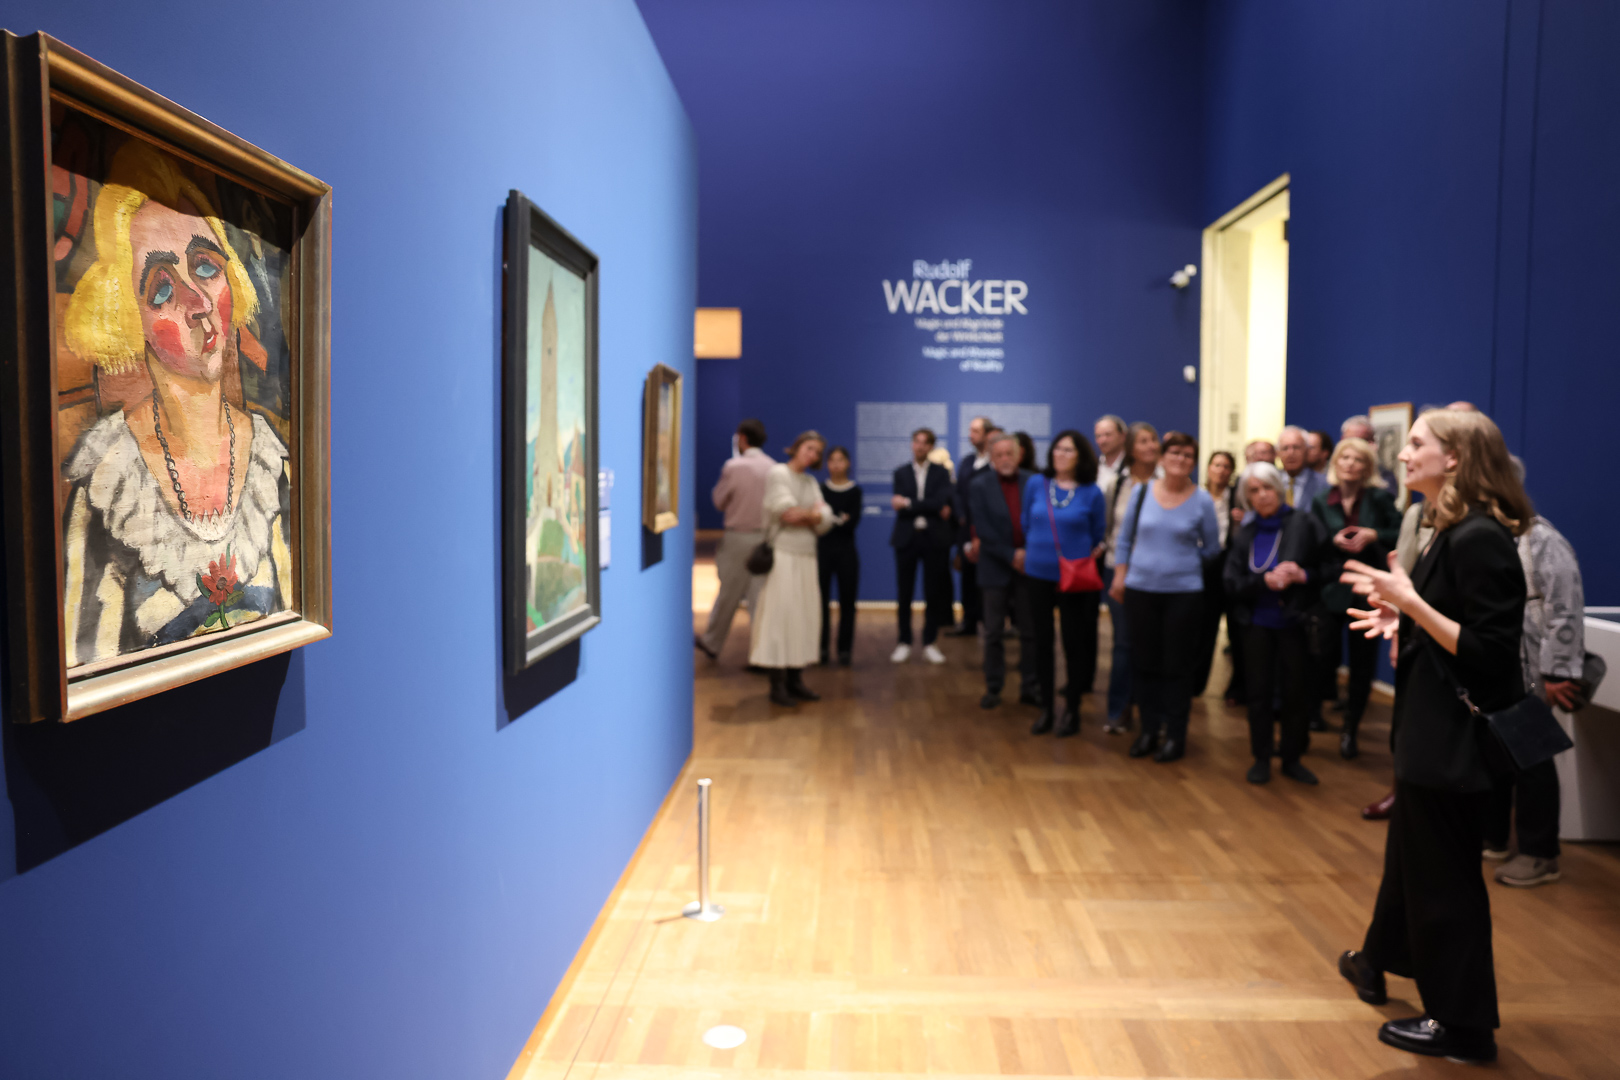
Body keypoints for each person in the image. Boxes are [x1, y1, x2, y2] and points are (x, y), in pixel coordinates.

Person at [1335, 408, 1532, 1064]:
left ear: (1454, 459)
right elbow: (1456, 627)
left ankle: (1464, 1027)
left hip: (1453, 745)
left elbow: (1492, 652)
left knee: (1446, 884)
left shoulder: (1478, 537)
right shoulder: (1452, 530)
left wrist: (1412, 604)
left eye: (1416, 443)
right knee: (1414, 865)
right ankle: (1377, 958)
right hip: (1431, 737)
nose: (1402, 452)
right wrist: (1406, 621)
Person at [61, 140, 293, 663]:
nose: (197, 303)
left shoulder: (272, 463)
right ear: (129, 318)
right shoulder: (109, 483)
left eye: (206, 268)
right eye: (162, 289)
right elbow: (86, 665)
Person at [1483, 504, 1586, 887]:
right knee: (1494, 751)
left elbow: (1565, 605)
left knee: (1533, 757)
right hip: (1499, 663)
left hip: (1532, 666)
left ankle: (1540, 853)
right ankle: (1494, 837)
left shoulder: (1541, 538)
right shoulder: (1489, 534)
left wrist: (1557, 670)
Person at [1110, 432, 1222, 763]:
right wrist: (1120, 574)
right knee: (1145, 663)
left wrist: (1181, 563)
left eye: (1187, 455)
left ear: (1193, 462)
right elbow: (1124, 540)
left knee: (1177, 667)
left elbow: (1212, 548)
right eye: (1174, 453)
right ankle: (1148, 731)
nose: (1180, 460)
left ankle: (1175, 736)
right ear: (1162, 458)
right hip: (1140, 590)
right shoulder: (1142, 492)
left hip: (1183, 594)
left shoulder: (1202, 500)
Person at [1225, 462, 1326, 784]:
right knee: (1258, 693)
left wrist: (1302, 575)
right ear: (1247, 498)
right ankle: (1262, 757)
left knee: (1296, 693)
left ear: (1279, 489)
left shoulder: (1304, 523)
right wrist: (1262, 582)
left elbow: (1330, 568)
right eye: (1254, 491)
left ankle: (1292, 758)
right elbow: (1231, 582)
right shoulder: (1246, 534)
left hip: (1295, 622)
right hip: (1256, 624)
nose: (1262, 495)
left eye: (1267, 487)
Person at [1312, 437, 1401, 759]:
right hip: (1332, 587)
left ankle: (1351, 729)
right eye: (1345, 457)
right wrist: (1332, 540)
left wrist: (1373, 534)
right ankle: (1314, 712)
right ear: (1335, 463)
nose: (1350, 464)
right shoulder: (1322, 499)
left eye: (1358, 459)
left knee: (1362, 664)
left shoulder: (1380, 498)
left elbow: (1402, 533)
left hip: (1370, 589)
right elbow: (1313, 540)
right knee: (1321, 654)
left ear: (1367, 467)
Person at [1021, 430, 1107, 736]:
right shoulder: (1036, 484)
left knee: (1074, 643)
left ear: (1081, 456)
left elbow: (1098, 534)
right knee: (1041, 642)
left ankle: (1072, 709)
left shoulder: (1092, 492)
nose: (1061, 454)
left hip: (1074, 577)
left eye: (1069, 450)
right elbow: (1026, 522)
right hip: (1038, 573)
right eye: (1057, 448)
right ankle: (1046, 708)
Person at [751, 432, 834, 705]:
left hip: (807, 556)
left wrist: (812, 516)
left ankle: (795, 679)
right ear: (797, 447)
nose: (812, 455)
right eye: (809, 448)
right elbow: (787, 513)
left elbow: (826, 521)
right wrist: (815, 514)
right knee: (781, 617)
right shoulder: (779, 473)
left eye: (817, 452)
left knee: (804, 617)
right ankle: (777, 684)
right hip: (783, 555)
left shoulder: (810, 482)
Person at [966, 432, 1040, 711]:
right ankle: (994, 686)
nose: (1005, 459)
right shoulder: (979, 485)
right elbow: (983, 528)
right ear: (992, 458)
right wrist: (1011, 555)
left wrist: (1027, 552)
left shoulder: (1034, 481)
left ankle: (1030, 686)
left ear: (1019, 455)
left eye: (1010, 454)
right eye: (999, 455)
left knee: (1030, 631)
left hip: (1029, 566)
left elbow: (1042, 521)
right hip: (994, 566)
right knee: (993, 632)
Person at [1099, 422, 1160, 732]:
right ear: (1131, 448)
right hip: (1120, 570)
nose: (1151, 446)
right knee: (1123, 643)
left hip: (1156, 574)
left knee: (1153, 645)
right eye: (1144, 441)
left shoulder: (1168, 484)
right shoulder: (1118, 485)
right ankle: (1118, 709)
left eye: (1154, 440)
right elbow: (1110, 528)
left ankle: (1152, 711)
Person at [698, 419, 775, 660]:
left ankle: (713, 642)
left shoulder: (734, 467)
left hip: (737, 537)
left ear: (741, 438)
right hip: (764, 539)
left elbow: (719, 501)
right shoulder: (773, 467)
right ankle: (762, 653)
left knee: (729, 593)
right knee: (759, 598)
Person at [890, 428, 954, 664]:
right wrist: (926, 505)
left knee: (932, 593)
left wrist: (908, 503)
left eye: (925, 442)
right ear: (911, 444)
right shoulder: (901, 472)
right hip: (907, 538)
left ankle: (930, 642)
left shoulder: (941, 472)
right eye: (916, 441)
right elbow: (925, 505)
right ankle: (904, 641)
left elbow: (938, 503)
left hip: (933, 539)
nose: (920, 446)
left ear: (931, 447)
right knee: (904, 593)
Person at [1192, 450, 1237, 698]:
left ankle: (1234, 687)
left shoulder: (1236, 499)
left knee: (1229, 627)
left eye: (1226, 466)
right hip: (1199, 564)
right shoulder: (1196, 496)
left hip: (1227, 565)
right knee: (1200, 626)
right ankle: (1194, 682)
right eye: (1216, 465)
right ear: (1208, 468)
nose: (1220, 470)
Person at [949, 416, 996, 637]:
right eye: (970, 431)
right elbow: (958, 492)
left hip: (986, 530)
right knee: (967, 576)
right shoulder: (967, 461)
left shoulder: (994, 463)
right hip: (965, 529)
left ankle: (990, 623)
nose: (970, 435)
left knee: (986, 578)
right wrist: (960, 515)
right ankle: (968, 621)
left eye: (975, 431)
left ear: (987, 434)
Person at [817, 446, 862, 666]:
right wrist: (839, 519)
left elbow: (851, 522)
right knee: (820, 602)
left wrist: (832, 519)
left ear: (848, 463)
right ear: (827, 464)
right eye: (832, 460)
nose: (836, 465)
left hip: (846, 552)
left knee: (847, 602)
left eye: (840, 460)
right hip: (823, 551)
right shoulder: (820, 489)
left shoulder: (855, 491)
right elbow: (819, 521)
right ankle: (821, 648)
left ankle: (844, 650)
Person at [1277, 426, 1330, 510]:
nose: (1290, 453)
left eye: (1296, 447)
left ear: (1307, 450)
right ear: (1278, 453)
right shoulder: (1269, 483)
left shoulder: (1325, 484)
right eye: (1285, 448)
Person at [1094, 414, 1128, 489]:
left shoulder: (1132, 465)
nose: (1103, 440)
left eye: (1108, 435)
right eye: (1098, 436)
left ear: (1123, 436)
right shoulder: (1092, 467)